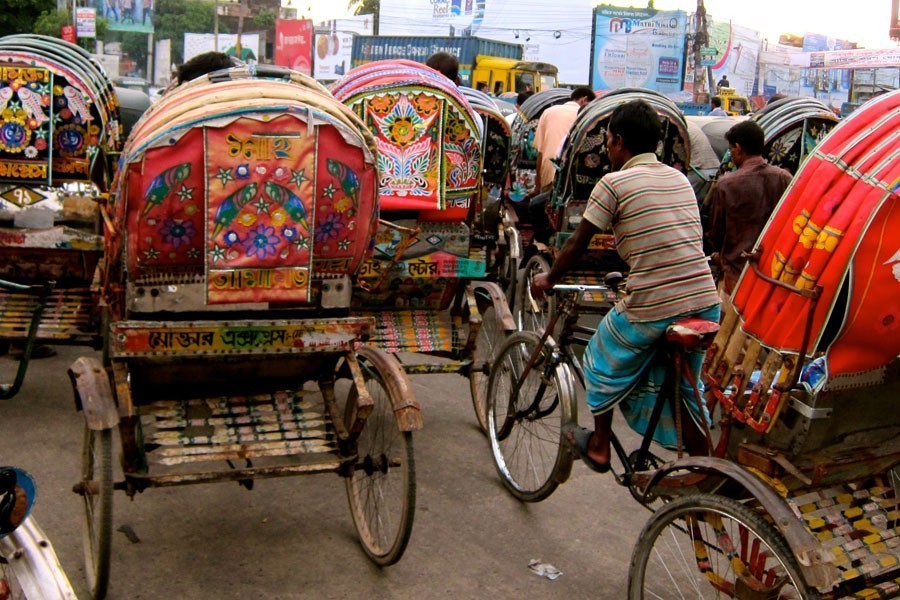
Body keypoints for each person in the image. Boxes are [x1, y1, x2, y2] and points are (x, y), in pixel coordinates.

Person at [531, 99, 720, 471]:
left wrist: (550, 279)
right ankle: (708, 468)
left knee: (597, 360)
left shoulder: (613, 183)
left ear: (617, 141)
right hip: (705, 299)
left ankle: (600, 446)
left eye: (608, 142)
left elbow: (577, 243)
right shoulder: (679, 178)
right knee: (686, 390)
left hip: (656, 303)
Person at [706, 120, 792, 296]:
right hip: (773, 274)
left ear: (738, 148)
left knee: (728, 321)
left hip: (735, 275)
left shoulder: (726, 184)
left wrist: (718, 256)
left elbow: (715, 235)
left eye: (730, 150)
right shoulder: (785, 178)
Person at [526, 86, 596, 242]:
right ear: (584, 101)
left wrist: (537, 187)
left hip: (556, 182)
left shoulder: (550, 113)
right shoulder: (589, 123)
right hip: (579, 186)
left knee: (540, 209)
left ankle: (545, 243)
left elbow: (541, 153)